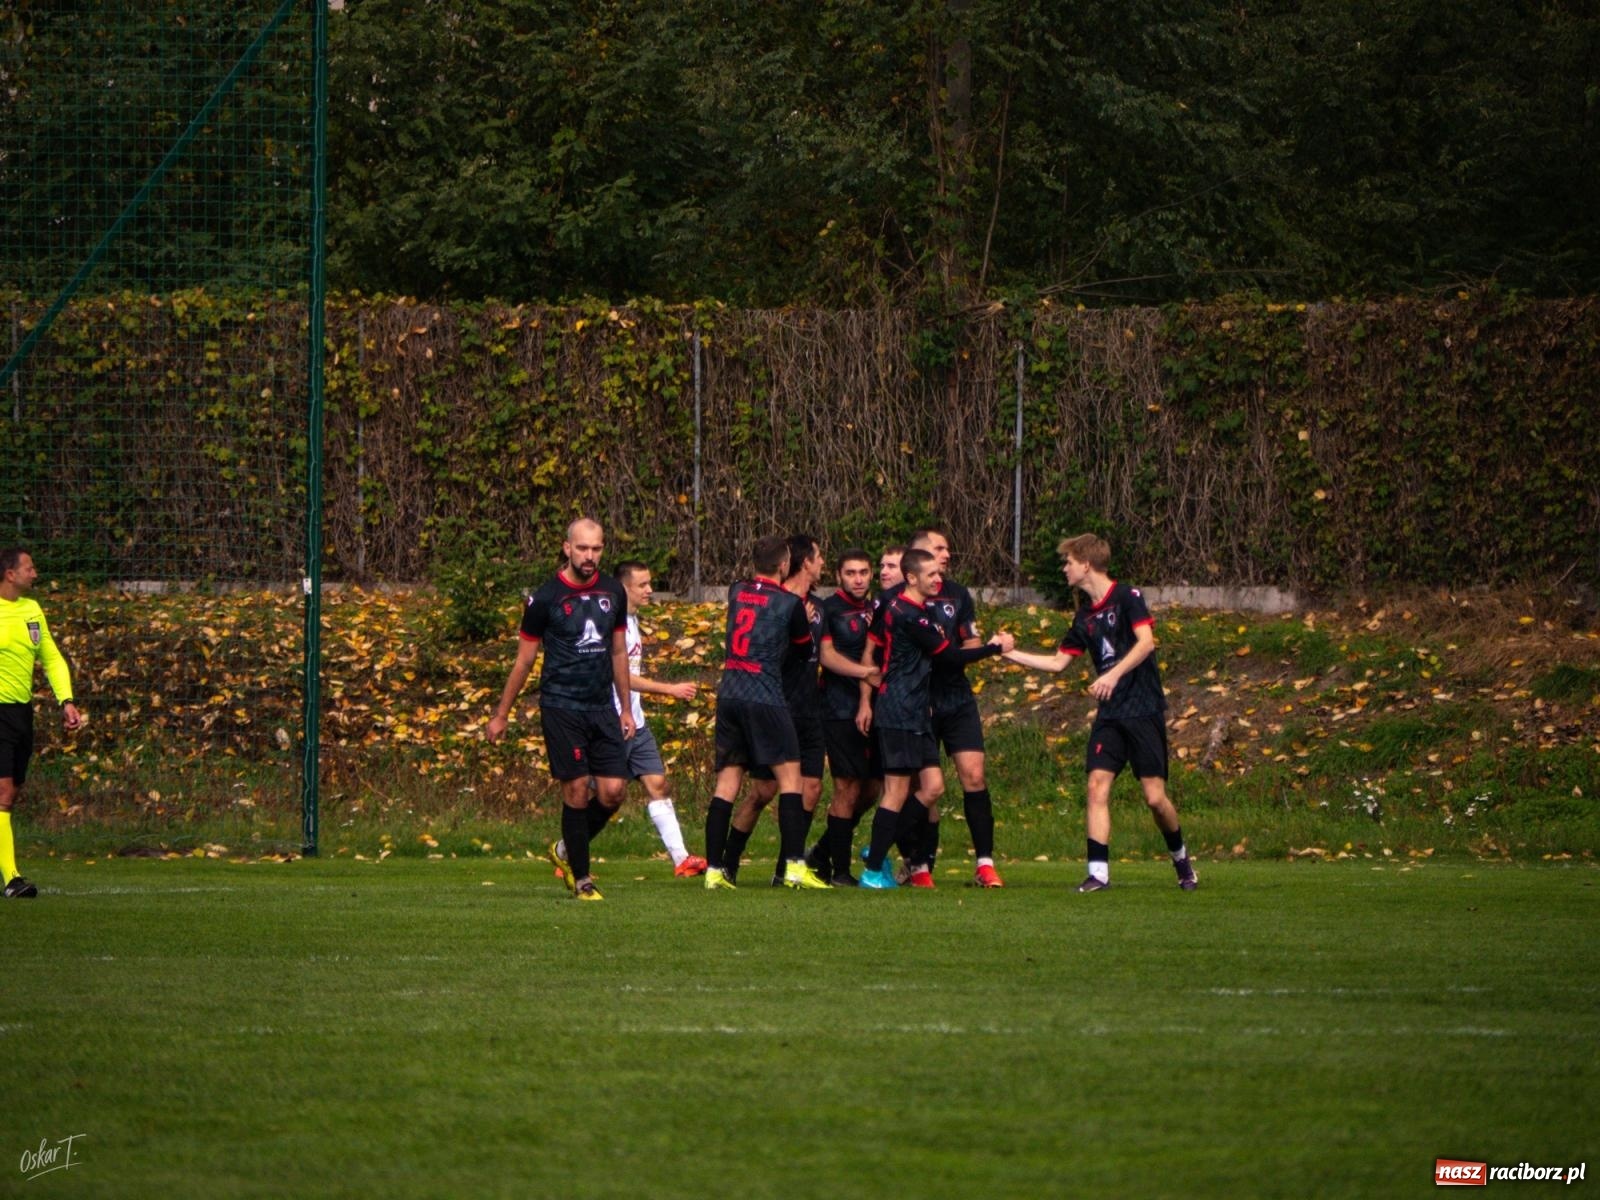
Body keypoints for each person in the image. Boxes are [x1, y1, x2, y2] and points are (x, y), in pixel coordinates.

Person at [1002, 533, 1198, 892]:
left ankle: (1182, 860)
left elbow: (1146, 643)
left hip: (1142, 710)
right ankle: (1098, 874)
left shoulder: (1128, 597)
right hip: (1110, 716)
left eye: (1069, 563)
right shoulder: (1084, 617)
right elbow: (1059, 663)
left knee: (1155, 799)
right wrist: (1009, 654)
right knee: (1096, 786)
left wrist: (1112, 674)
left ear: (1086, 564)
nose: (1065, 569)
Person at [486, 519, 633, 901]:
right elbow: (524, 662)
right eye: (583, 549)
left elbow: (618, 652)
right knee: (576, 791)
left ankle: (567, 848)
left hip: (602, 706)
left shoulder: (614, 592)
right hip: (561, 706)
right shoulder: (544, 599)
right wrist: (502, 714)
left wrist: (627, 708)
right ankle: (582, 880)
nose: (590, 556)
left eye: (597, 549)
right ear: (567, 548)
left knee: (614, 792)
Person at [857, 549, 1012, 889]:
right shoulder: (910, 615)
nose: (938, 579)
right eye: (931, 574)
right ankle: (872, 870)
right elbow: (951, 656)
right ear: (911, 578)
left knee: (932, 788)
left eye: (938, 574)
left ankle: (877, 851)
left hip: (913, 709)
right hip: (899, 710)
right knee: (896, 792)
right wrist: (996, 647)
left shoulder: (913, 610)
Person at [702, 534, 824, 890]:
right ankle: (793, 867)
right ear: (784, 565)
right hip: (766, 696)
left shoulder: (736, 590)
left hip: (730, 695)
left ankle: (714, 871)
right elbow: (802, 651)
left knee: (726, 784)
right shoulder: (789, 604)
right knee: (790, 781)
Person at [907, 527, 1005, 888]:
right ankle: (919, 866)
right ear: (917, 556)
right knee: (927, 788)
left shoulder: (958, 594)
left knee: (974, 775)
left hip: (957, 698)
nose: (947, 554)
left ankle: (984, 864)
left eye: (947, 548)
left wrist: (974, 646)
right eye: (938, 549)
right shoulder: (901, 600)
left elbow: (971, 639)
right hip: (919, 702)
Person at [610, 560, 707, 878]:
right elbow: (620, 675)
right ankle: (568, 851)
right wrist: (669, 689)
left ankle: (681, 859)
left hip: (635, 721)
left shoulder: (633, 620)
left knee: (658, 784)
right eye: (643, 585)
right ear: (624, 588)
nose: (650, 590)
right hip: (611, 721)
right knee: (606, 797)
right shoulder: (612, 623)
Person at [0, 549, 83, 899]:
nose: (35, 574)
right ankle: (11, 879)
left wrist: (66, 700)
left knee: (12, 793)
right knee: (2, 793)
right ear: (9, 574)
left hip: (21, 713)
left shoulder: (32, 610)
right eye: (29, 568)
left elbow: (49, 656)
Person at [806, 548, 884, 886]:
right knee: (847, 787)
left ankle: (821, 853)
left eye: (864, 572)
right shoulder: (827, 608)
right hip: (838, 708)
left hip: (878, 707)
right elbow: (828, 657)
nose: (858, 579)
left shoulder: (879, 608)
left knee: (873, 788)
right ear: (839, 576)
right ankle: (839, 871)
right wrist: (865, 672)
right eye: (851, 573)